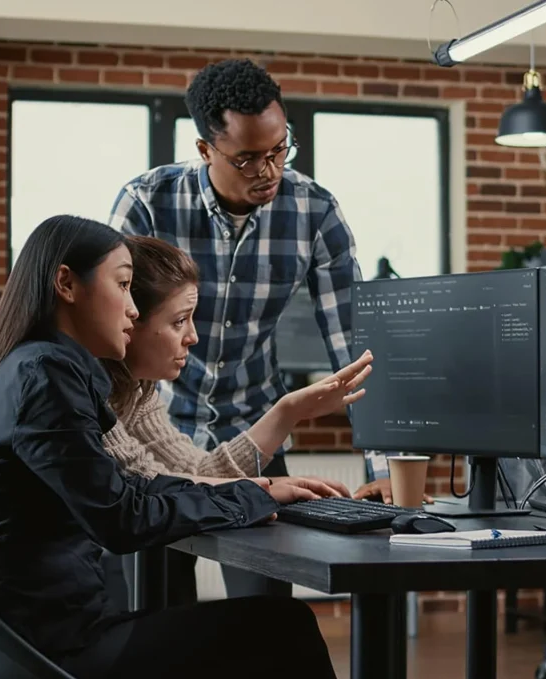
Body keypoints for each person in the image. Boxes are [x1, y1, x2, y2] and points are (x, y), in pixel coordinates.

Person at [0, 227, 367, 679]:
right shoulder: (51, 376)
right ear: (120, 313)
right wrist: (251, 494)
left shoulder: (117, 384)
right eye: (178, 320)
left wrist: (281, 419)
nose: (192, 338)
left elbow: (184, 474)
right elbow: (131, 505)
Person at [0, 215, 340, 679]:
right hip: (54, 650)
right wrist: (252, 497)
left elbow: (126, 486)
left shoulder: (41, 366)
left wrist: (254, 490)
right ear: (66, 284)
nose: (132, 309)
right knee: (285, 626)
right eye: (123, 286)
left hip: (36, 637)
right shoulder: (46, 377)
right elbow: (123, 520)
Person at [109, 57, 362, 601]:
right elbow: (110, 335)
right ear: (205, 150)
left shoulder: (314, 212)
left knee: (267, 615)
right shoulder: (147, 204)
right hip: (153, 439)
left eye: (279, 151)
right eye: (248, 159)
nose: (268, 171)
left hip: (255, 431)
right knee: (150, 616)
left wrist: (384, 461)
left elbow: (352, 340)